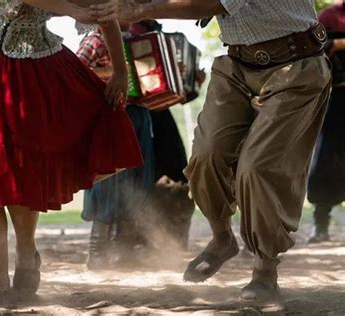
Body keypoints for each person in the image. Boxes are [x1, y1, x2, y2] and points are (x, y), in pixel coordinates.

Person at [90, 0, 331, 301]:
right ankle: (222, 238)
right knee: (204, 157)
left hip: (296, 65)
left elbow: (211, 4)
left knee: (257, 169)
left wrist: (137, 10)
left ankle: (265, 270)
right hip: (237, 65)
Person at [0, 0, 142, 308]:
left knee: (20, 167)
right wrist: (72, 10)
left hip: (29, 66)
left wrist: (120, 68)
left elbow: (103, 8)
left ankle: (26, 254)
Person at [78, 19, 196, 270]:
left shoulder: (137, 42)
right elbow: (77, 73)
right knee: (108, 185)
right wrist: (117, 74)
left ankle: (123, 249)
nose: (132, 12)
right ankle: (97, 251)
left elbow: (148, 87)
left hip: (140, 120)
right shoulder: (96, 40)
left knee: (137, 183)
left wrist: (170, 74)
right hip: (110, 120)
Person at [307, 0, 345, 243]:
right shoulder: (330, 16)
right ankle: (321, 224)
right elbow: (314, 48)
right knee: (327, 159)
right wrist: (339, 43)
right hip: (338, 97)